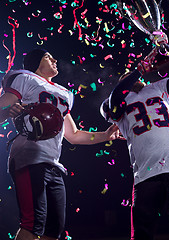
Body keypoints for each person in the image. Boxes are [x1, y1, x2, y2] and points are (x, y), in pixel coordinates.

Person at [0, 49, 123, 240]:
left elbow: (72, 135)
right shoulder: (25, 78)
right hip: (29, 156)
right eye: (48, 57)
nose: (55, 59)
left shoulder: (64, 93)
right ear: (35, 62)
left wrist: (106, 135)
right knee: (32, 225)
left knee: (54, 230)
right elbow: (2, 109)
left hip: (52, 162)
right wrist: (8, 112)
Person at [100, 39, 169, 239]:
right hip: (147, 175)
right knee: (142, 235)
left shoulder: (159, 88)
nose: (134, 80)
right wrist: (139, 70)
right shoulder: (115, 101)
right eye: (128, 78)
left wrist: (167, 50)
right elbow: (115, 99)